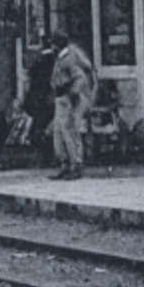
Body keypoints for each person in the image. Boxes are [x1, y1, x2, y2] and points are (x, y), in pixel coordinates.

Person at [49, 31, 96, 180]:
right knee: (58, 132)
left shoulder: (68, 59)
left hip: (68, 97)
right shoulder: (63, 57)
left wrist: (74, 92)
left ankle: (75, 164)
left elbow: (79, 77)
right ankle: (65, 163)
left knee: (68, 131)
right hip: (61, 96)